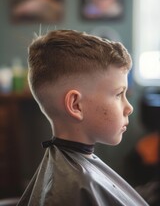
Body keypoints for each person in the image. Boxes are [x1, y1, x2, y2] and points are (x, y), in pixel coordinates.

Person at [17, 29, 148, 206]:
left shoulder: (74, 172)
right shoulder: (68, 192)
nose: (129, 107)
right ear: (76, 105)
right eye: (118, 94)